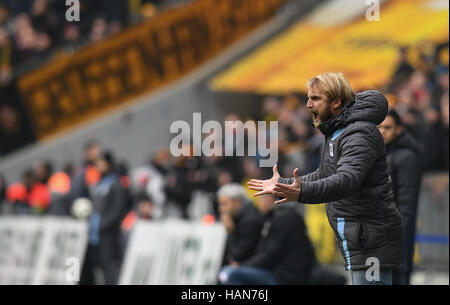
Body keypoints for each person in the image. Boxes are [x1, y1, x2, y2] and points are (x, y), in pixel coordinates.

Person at [248, 72, 403, 285]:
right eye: (308, 98)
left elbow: (347, 179)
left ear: (337, 102)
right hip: (361, 236)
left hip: (370, 238)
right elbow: (324, 175)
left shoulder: (359, 133)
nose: (308, 105)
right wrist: (282, 184)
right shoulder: (338, 131)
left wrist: (300, 192)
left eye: (315, 99)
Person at [219, 194, 316, 285]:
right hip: (278, 272)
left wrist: (243, 266)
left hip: (285, 276)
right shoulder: (275, 216)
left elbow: (270, 254)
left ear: (270, 199)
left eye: (261, 198)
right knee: (228, 272)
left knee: (229, 274)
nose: (258, 202)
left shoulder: (283, 218)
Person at [378, 109, 422, 285]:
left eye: (387, 127)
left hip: (397, 231)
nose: (382, 131)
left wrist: (397, 232)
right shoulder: (381, 153)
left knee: (399, 276)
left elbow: (407, 200)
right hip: (380, 229)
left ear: (399, 129)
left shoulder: (407, 156)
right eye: (379, 127)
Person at [80, 150, 127, 285]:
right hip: (94, 234)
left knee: (109, 267)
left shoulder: (115, 183)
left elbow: (118, 208)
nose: (98, 166)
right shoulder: (98, 183)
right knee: (96, 268)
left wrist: (104, 224)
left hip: (108, 233)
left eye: (101, 162)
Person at [217, 183, 266, 265]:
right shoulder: (238, 216)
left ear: (238, 202)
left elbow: (237, 255)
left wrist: (230, 231)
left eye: (225, 204)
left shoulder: (250, 221)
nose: (221, 209)